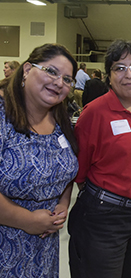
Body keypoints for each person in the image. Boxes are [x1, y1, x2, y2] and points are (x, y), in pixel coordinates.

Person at [68, 39, 131, 278]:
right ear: (109, 76)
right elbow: (79, 170)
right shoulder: (95, 112)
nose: (128, 74)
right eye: (119, 68)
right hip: (104, 217)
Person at [0, 43, 79, 277]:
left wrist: (63, 204)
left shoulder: (59, 119)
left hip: (44, 247)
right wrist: (27, 220)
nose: (58, 83)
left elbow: (66, 170)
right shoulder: (3, 116)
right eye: (51, 71)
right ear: (26, 70)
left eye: (67, 79)